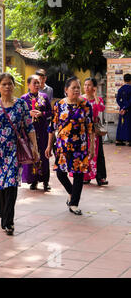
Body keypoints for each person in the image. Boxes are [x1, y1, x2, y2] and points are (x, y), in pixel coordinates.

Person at [0, 73, 39, 235]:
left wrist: (35, 147)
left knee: (12, 183)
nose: (7, 87)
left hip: (15, 150)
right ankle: (3, 213)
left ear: (14, 86)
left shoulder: (21, 105)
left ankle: (9, 221)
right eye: (4, 84)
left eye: (10, 84)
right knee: (1, 184)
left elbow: (29, 128)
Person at [45, 77, 95, 216]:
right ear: (66, 90)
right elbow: (52, 127)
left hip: (80, 145)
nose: (77, 90)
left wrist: (92, 147)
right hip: (62, 146)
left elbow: (90, 127)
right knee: (61, 173)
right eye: (74, 87)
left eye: (78, 87)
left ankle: (74, 203)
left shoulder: (85, 105)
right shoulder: (59, 105)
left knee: (79, 174)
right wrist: (49, 146)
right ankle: (72, 193)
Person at [21, 75, 53, 191]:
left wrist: (42, 114)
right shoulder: (23, 98)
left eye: (38, 83)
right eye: (34, 83)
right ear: (28, 85)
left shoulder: (44, 97)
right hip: (29, 131)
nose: (37, 85)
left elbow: (50, 112)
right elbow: (20, 114)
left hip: (42, 130)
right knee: (32, 154)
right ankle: (33, 180)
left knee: (44, 155)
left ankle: (45, 181)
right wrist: (29, 113)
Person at [81, 77, 108, 185]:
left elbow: (101, 108)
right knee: (85, 152)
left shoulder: (98, 99)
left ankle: (100, 177)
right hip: (84, 130)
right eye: (85, 85)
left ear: (94, 87)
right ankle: (85, 176)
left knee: (98, 153)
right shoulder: (81, 98)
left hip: (95, 130)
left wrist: (96, 95)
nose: (87, 87)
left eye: (89, 85)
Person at [116, 73, 131, 146]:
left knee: (121, 124)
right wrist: (125, 108)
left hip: (122, 111)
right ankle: (129, 140)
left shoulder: (121, 89)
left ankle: (119, 140)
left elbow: (118, 99)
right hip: (129, 110)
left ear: (124, 80)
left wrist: (122, 108)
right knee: (129, 124)